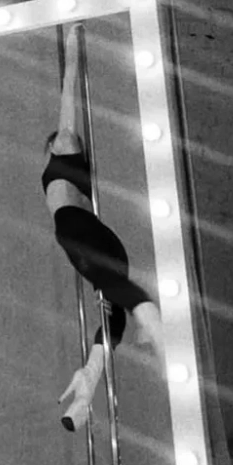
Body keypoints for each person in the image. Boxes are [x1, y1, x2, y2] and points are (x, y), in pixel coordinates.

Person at [42, 23, 166, 432]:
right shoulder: (74, 166)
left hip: (78, 229)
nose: (66, 137)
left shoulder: (62, 145)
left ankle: (149, 319)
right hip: (101, 237)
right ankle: (87, 382)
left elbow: (69, 93)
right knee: (113, 312)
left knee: (114, 294)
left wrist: (73, 46)